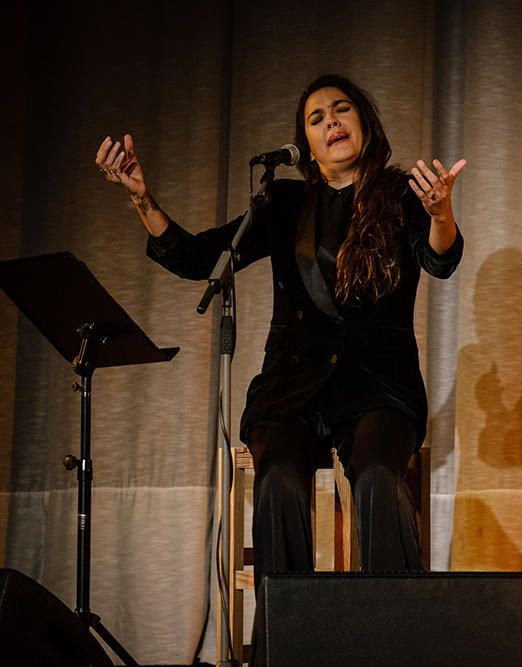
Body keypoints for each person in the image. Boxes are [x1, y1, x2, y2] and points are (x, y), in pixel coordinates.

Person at [96, 74, 465, 664]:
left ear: (364, 123)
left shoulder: (401, 195)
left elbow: (440, 260)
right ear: (306, 145)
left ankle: (397, 643)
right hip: (291, 388)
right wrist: (142, 198)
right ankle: (288, 650)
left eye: (341, 110)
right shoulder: (283, 202)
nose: (330, 122)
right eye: (316, 118)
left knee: (375, 479)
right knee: (277, 485)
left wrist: (441, 213)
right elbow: (200, 259)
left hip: (378, 390)